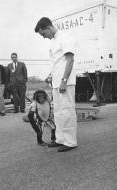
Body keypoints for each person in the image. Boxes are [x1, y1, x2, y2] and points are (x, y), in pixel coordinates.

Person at [34, 17, 77, 152]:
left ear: (48, 27)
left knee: (67, 111)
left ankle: (70, 142)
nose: (44, 37)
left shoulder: (65, 38)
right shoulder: (53, 41)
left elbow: (70, 61)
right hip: (56, 83)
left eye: (43, 34)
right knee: (58, 112)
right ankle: (60, 139)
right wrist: (51, 76)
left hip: (66, 82)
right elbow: (57, 63)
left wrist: (64, 80)